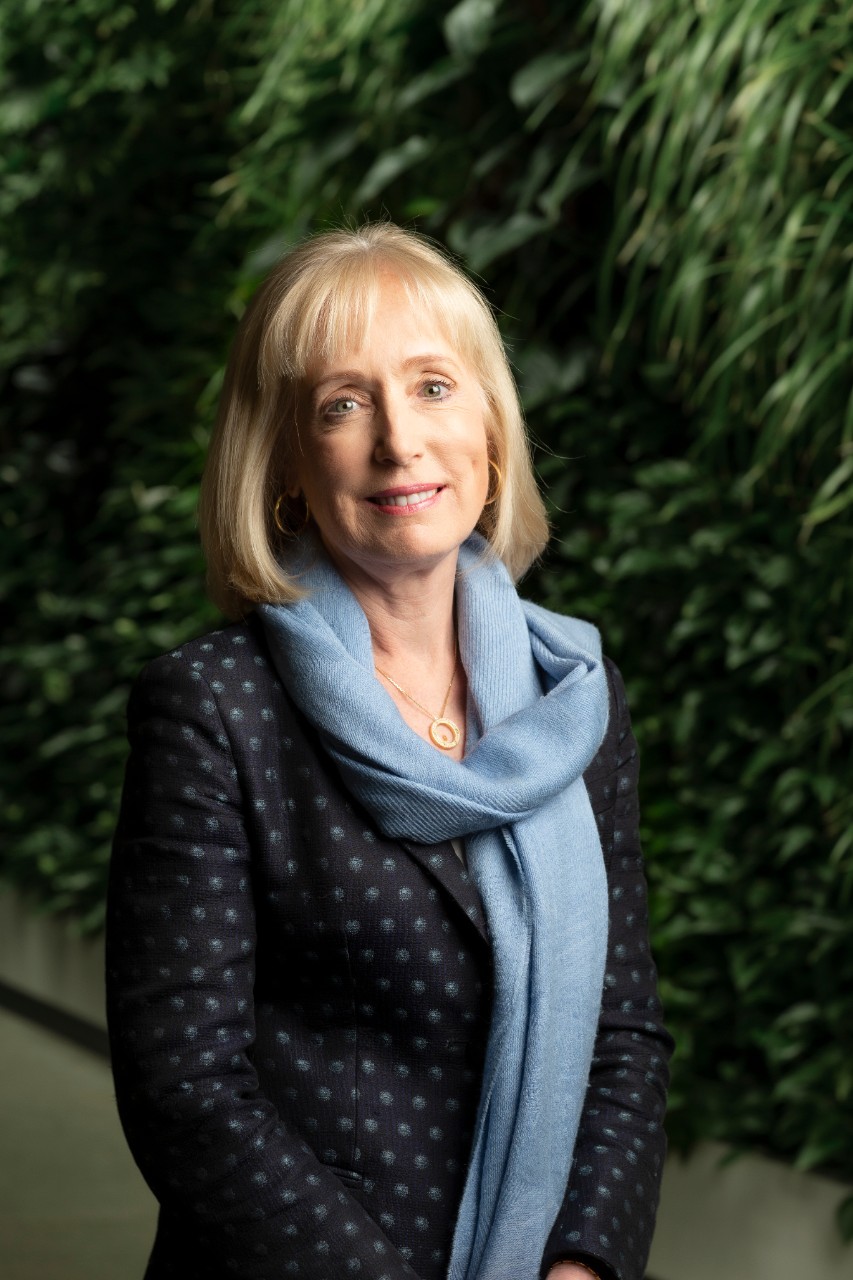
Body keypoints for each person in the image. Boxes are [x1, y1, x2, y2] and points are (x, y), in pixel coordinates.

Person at [106, 222, 673, 1280]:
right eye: (342, 403)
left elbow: (621, 1034)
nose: (398, 440)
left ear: (492, 435)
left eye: (432, 387)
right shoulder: (214, 707)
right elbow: (186, 1086)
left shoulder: (574, 705)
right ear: (281, 462)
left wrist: (582, 1266)